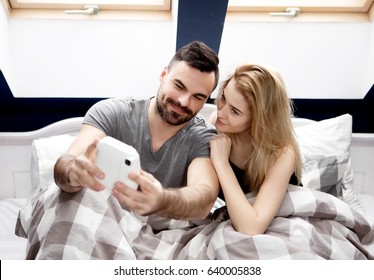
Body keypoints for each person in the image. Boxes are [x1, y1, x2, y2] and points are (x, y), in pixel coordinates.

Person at [54, 41, 220, 220]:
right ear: (163, 75)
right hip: (104, 219)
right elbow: (67, 163)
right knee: (61, 199)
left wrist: (161, 200)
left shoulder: (203, 137)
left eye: (198, 97)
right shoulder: (113, 113)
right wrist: (73, 174)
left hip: (163, 234)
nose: (184, 101)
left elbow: (204, 198)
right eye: (179, 86)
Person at [209, 64, 302, 236]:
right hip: (239, 217)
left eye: (235, 111)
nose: (221, 112)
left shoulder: (282, 152)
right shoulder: (219, 124)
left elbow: (251, 228)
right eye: (223, 97)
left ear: (260, 120)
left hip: (283, 220)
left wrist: (222, 163)